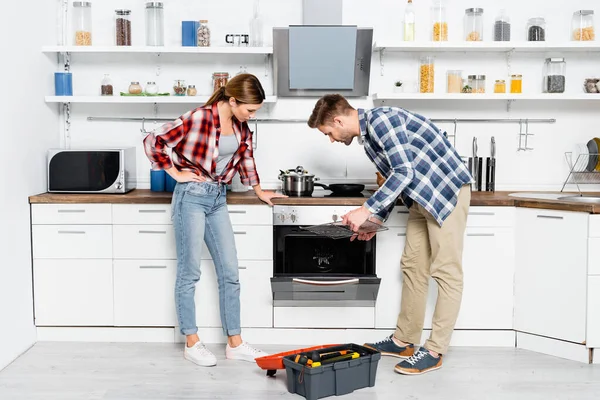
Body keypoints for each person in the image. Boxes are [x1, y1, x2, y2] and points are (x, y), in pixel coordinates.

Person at [307, 94, 473, 375]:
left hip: (445, 193)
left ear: (338, 120)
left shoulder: (383, 120)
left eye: (330, 133)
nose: (332, 139)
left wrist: (364, 209)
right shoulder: (369, 140)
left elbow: (403, 171)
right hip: (420, 199)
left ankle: (434, 350)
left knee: (446, 271)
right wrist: (373, 220)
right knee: (412, 266)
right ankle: (404, 340)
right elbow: (394, 181)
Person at [143, 74, 285, 367]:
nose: (252, 115)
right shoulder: (198, 118)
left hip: (218, 199)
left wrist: (259, 190)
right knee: (189, 273)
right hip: (191, 197)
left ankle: (235, 343)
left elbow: (246, 159)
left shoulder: (242, 127)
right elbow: (153, 140)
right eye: (249, 109)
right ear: (232, 100)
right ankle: (191, 342)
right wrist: (176, 173)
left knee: (230, 272)